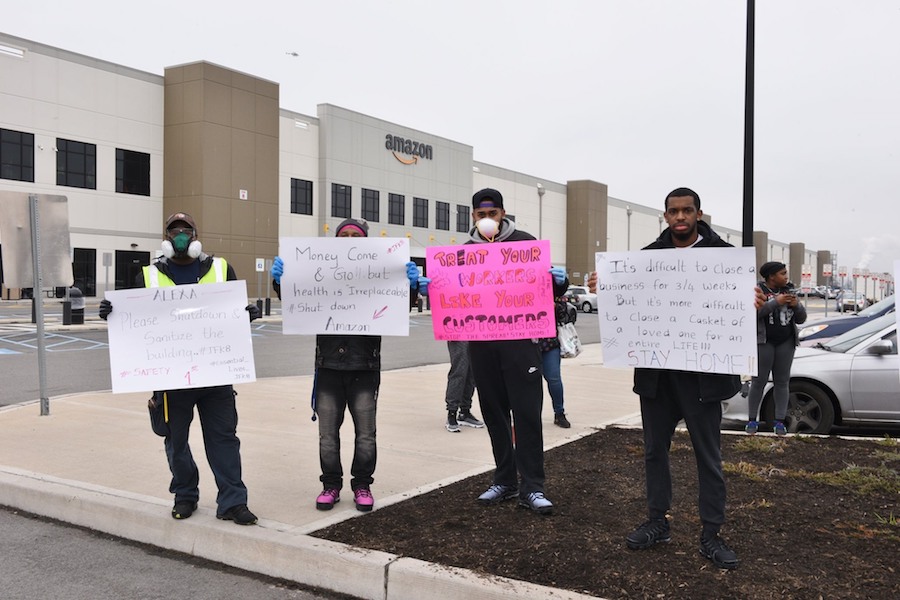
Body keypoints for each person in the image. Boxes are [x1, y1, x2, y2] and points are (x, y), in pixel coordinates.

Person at [589, 188, 759, 569]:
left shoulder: (726, 258)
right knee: (653, 451)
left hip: (705, 376)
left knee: (708, 456)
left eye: (687, 210)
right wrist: (606, 286)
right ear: (665, 216)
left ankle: (711, 533)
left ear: (699, 213)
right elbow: (624, 302)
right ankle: (657, 521)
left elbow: (742, 308)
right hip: (657, 375)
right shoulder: (648, 258)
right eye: (673, 211)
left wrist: (754, 301)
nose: (680, 217)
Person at [99, 212, 261, 525]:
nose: (181, 236)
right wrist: (113, 314)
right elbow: (138, 322)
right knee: (175, 441)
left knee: (224, 439)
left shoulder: (220, 268)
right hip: (172, 380)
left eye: (186, 230)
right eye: (175, 231)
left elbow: (232, 312)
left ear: (196, 236)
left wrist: (247, 314)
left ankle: (233, 501)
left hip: (216, 376)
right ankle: (185, 495)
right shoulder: (148, 274)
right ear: (166, 239)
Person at [269, 218, 428, 512]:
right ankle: (330, 485)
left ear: (366, 240)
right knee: (327, 434)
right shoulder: (322, 269)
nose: (349, 239)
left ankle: (362, 484)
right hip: (328, 365)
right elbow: (295, 298)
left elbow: (398, 308)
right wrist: (280, 280)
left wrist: (410, 286)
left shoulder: (378, 271)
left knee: (366, 433)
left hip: (365, 367)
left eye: (356, 235)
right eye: (344, 235)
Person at [465, 188, 568, 515]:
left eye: (492, 213)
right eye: (480, 214)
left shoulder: (525, 243)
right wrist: (431, 288)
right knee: (494, 415)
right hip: (482, 347)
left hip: (521, 346)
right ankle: (505, 480)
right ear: (472, 217)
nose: (486, 220)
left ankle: (533, 487)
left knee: (526, 415)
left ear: (503, 213)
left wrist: (560, 283)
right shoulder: (465, 252)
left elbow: (545, 289)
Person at [745, 261, 807, 436]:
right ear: (771, 276)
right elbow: (754, 314)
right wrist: (775, 302)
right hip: (764, 342)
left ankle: (779, 421)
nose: (786, 277)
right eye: (782, 273)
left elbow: (801, 319)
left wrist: (797, 306)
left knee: (782, 382)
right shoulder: (758, 291)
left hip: (785, 342)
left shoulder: (790, 291)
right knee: (759, 381)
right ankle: (752, 420)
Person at [538, 292, 575, 428]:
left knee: (554, 379)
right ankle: (531, 414)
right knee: (529, 382)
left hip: (549, 343)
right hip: (526, 344)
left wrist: (555, 306)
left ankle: (559, 413)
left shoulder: (551, 287)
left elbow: (564, 313)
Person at [444, 341, 484, 432]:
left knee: (471, 372)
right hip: (458, 332)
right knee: (459, 370)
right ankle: (452, 412)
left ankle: (465, 411)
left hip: (473, 332)